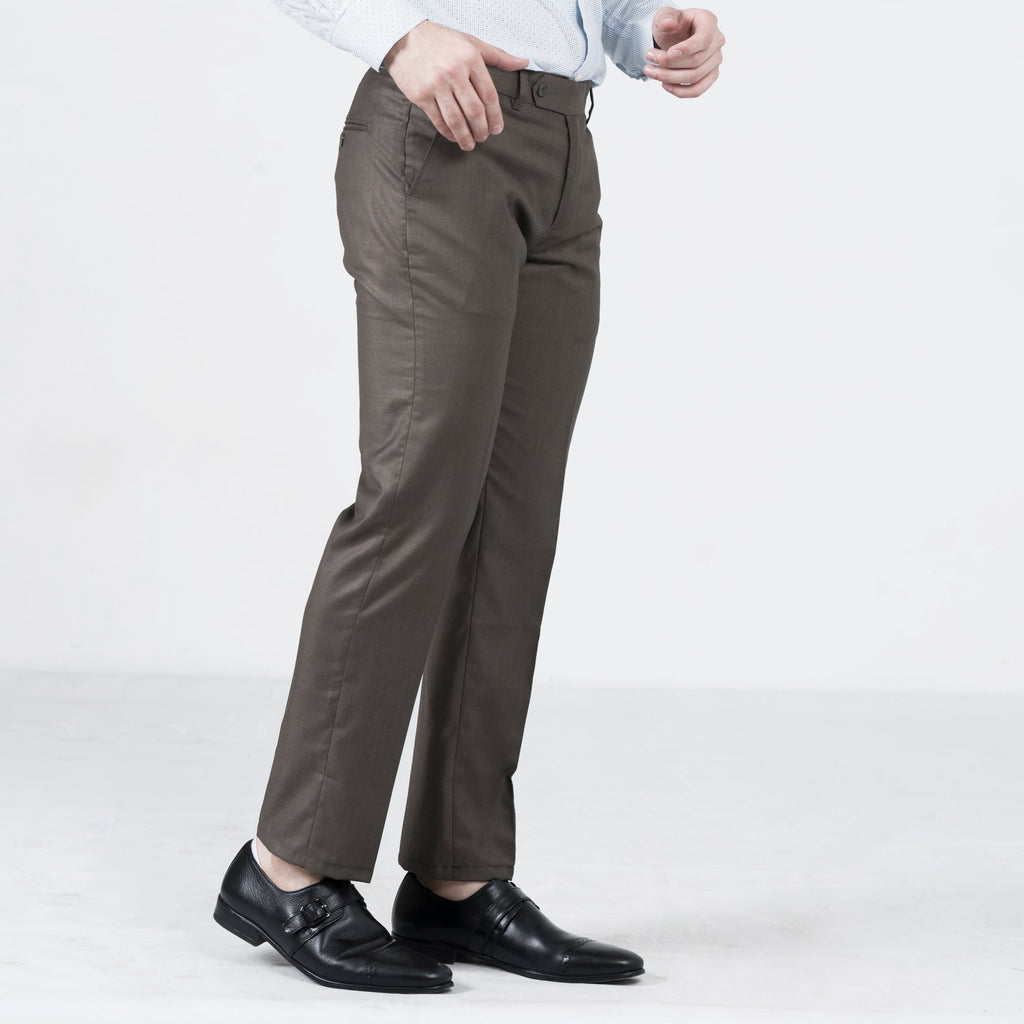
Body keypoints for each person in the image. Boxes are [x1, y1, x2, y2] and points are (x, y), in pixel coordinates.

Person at [213, 1, 725, 993]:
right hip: (437, 135)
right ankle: (286, 866)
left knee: (511, 522)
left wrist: (651, 30)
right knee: (415, 498)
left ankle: (458, 876)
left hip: (563, 145)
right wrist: (399, 34)